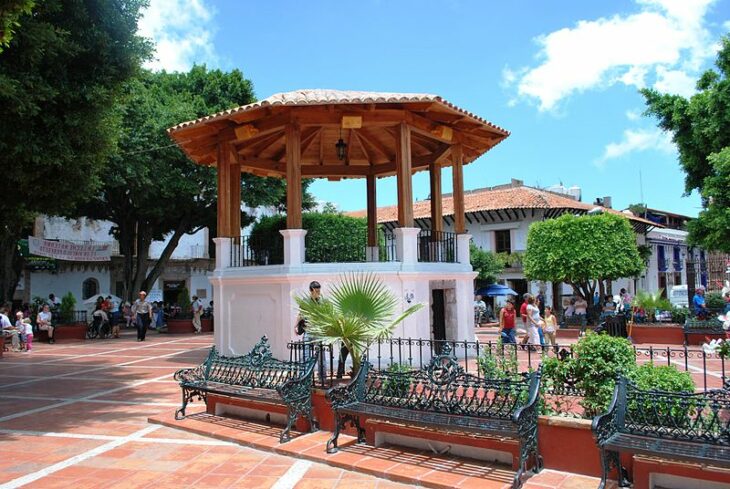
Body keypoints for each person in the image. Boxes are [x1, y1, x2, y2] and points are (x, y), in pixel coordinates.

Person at [296, 281, 326, 379]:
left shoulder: (322, 301)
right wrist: (295, 326)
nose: (318, 293)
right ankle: (305, 375)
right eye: (316, 291)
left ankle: (322, 376)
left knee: (321, 355)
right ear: (311, 290)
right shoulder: (306, 301)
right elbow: (301, 314)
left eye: (319, 290)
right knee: (305, 354)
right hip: (308, 331)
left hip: (318, 331)